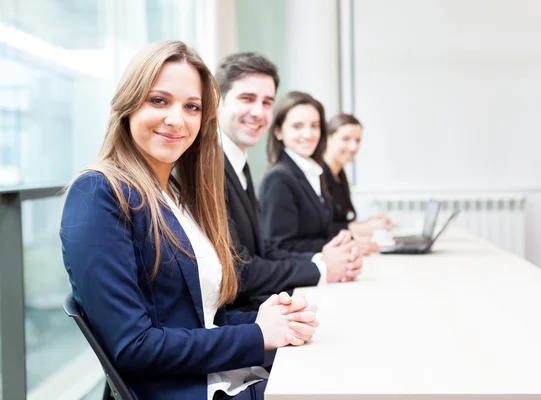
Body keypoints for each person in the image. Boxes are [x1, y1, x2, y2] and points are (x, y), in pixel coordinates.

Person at [59, 41, 317, 400]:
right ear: (128, 104)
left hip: (222, 377)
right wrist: (258, 335)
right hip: (188, 390)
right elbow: (134, 346)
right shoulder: (99, 194)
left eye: (191, 106)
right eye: (159, 100)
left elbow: (204, 319)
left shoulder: (179, 196)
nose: (176, 119)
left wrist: (269, 320)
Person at [215, 53, 363, 313]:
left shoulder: (241, 166)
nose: (258, 112)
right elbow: (239, 270)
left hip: (260, 308)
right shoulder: (214, 170)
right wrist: (321, 267)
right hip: (242, 319)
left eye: (267, 102)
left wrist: (323, 258)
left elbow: (263, 251)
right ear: (218, 101)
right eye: (247, 98)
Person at [259, 91, 338, 253]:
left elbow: (318, 233)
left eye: (314, 126)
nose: (308, 135)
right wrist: (333, 246)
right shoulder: (278, 179)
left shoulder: (313, 172)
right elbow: (279, 246)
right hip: (302, 274)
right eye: (297, 126)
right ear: (278, 131)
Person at [322, 113, 394, 239]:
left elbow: (341, 221)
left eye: (357, 140)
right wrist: (365, 227)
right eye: (346, 139)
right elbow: (324, 227)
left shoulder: (339, 174)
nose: (354, 147)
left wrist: (369, 223)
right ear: (328, 138)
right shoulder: (318, 175)